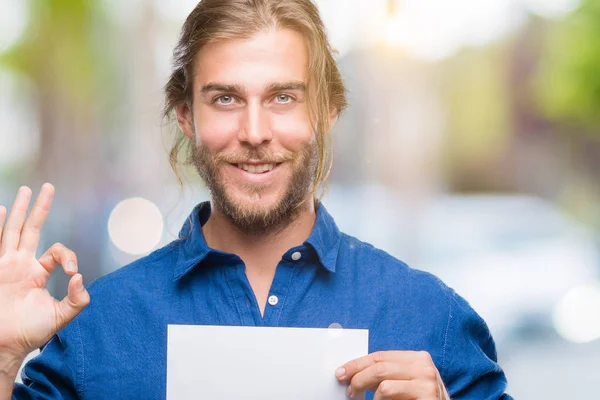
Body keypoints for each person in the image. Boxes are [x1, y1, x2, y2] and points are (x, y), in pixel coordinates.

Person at [0, 0, 513, 398]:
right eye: (225, 98)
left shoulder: (431, 318)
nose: (254, 131)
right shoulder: (98, 327)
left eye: (283, 98)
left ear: (328, 111)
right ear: (186, 117)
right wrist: (2, 357)